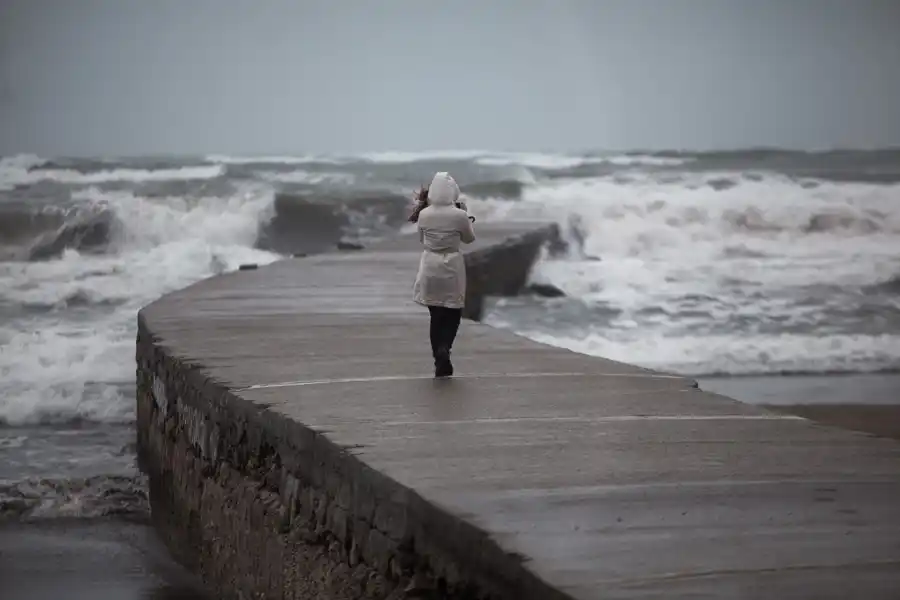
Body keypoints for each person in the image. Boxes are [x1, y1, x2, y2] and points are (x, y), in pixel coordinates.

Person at [409, 172, 476, 377]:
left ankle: (438, 356)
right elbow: (469, 239)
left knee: (435, 314)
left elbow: (422, 238)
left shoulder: (424, 214)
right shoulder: (459, 216)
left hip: (430, 264)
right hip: (452, 264)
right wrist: (467, 217)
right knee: (453, 312)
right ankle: (445, 347)